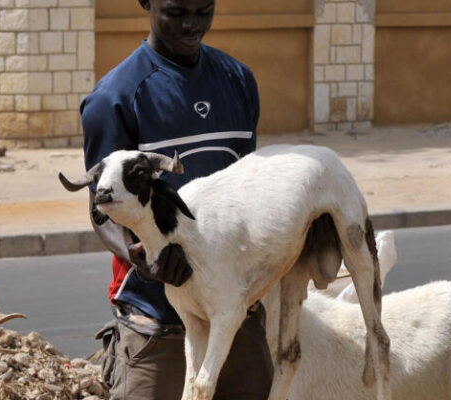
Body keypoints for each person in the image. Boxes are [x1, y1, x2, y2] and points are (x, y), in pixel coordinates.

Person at [80, 0, 273, 399]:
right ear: (147, 2)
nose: (191, 25)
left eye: (203, 11)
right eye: (176, 11)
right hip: (159, 330)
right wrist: (143, 255)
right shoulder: (115, 97)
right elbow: (103, 211)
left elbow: (249, 188)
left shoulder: (238, 80)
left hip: (238, 321)